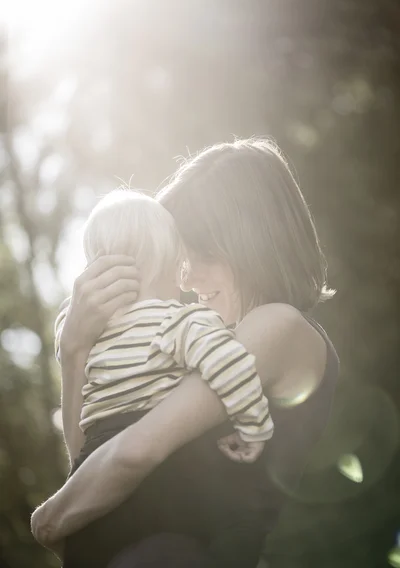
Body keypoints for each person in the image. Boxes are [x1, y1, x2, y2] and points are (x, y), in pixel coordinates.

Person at [31, 138, 339, 568]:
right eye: (182, 256)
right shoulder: (199, 348)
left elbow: (135, 451)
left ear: (252, 241)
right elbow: (93, 463)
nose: (188, 276)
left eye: (204, 253)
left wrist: (49, 520)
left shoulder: (277, 325)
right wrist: (74, 353)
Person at [57, 187, 274, 567]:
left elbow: (80, 446)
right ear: (175, 264)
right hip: (160, 487)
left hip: (93, 476)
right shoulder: (181, 321)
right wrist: (253, 425)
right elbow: (231, 365)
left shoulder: (82, 333)